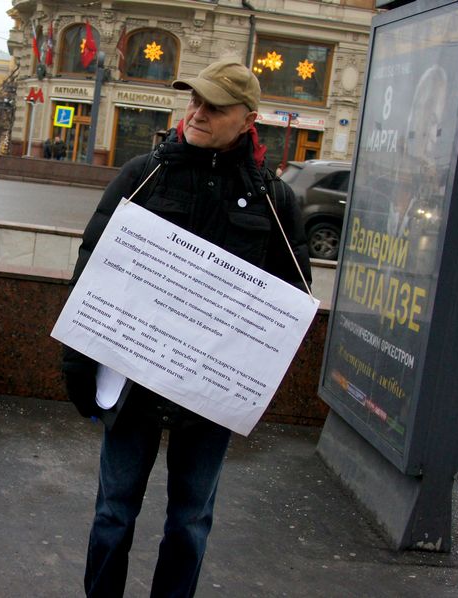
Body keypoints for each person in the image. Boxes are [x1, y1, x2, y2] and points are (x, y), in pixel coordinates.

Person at [61, 59, 311, 597]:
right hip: (130, 382)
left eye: (214, 107)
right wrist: (77, 361)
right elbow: (92, 266)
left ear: (248, 119)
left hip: (209, 396)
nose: (197, 113)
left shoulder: (273, 197)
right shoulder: (144, 172)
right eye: (193, 101)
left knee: (190, 522)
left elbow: (291, 302)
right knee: (113, 514)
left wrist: (252, 383)